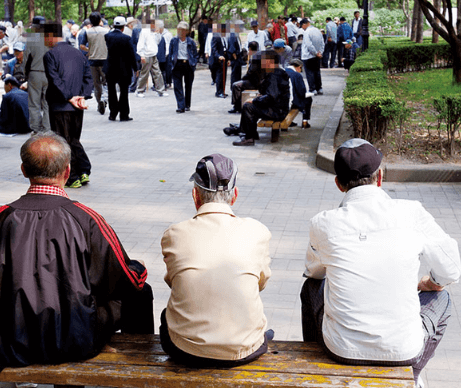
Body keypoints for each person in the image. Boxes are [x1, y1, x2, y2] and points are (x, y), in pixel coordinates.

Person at [301, 138, 461, 388]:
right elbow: (451, 270)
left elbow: (314, 274)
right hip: (403, 351)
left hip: (342, 351)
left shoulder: (323, 223)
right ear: (380, 177)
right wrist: (431, 282)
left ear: (339, 184)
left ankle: (314, 372)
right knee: (442, 299)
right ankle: (412, 375)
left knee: (311, 288)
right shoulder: (412, 213)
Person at [0, 132, 154, 368]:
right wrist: (138, 268)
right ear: (67, 171)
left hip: (12, 340)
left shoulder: (4, 217)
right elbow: (123, 279)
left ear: (23, 170)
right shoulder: (86, 218)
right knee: (141, 291)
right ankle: (142, 365)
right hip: (76, 340)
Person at [160, 153, 272, 367]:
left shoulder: (174, 234)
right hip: (244, 349)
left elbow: (173, 282)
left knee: (167, 315)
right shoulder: (257, 232)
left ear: (195, 195)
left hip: (187, 350)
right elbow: (261, 283)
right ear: (235, 195)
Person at [43, 23, 92, 189]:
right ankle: (84, 170)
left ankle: (72, 176)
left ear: (50, 36)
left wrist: (70, 97)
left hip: (60, 105)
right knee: (74, 139)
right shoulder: (78, 53)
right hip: (77, 106)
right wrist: (82, 97)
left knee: (63, 141)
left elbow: (54, 80)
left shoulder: (50, 55)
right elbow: (88, 77)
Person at [225, 50, 290, 146]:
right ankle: (250, 132)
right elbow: (273, 94)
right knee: (251, 105)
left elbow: (271, 97)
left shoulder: (274, 75)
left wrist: (255, 100)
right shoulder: (278, 72)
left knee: (248, 106)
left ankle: (248, 138)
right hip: (279, 108)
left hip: (277, 111)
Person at [104, 16, 138, 122]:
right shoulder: (126, 38)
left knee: (111, 91)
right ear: (123, 27)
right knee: (124, 92)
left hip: (110, 68)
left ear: (114, 25)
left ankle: (112, 114)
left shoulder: (107, 36)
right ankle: (124, 115)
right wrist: (135, 68)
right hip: (124, 69)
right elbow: (132, 55)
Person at [23, 16, 51, 132]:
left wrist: (25, 74)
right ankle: (47, 128)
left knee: (34, 104)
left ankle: (36, 129)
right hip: (49, 74)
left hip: (35, 73)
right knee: (47, 103)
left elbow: (26, 59)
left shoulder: (31, 38)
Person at [80, 12, 109, 115]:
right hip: (105, 59)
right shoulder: (106, 31)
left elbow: (81, 46)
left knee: (96, 84)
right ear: (100, 20)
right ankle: (104, 99)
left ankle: (99, 103)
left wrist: (89, 49)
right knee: (106, 82)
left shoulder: (87, 32)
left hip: (92, 60)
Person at [167, 21, 198, 113]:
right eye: (179, 29)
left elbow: (195, 54)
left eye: (183, 30)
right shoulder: (173, 41)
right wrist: (171, 63)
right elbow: (170, 53)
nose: (180, 32)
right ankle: (181, 106)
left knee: (188, 85)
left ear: (187, 31)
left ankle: (187, 104)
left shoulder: (191, 42)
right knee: (177, 85)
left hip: (188, 64)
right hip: (177, 64)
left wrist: (194, 63)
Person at [228, 41, 264, 114]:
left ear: (250, 49)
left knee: (236, 85)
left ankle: (236, 106)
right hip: (258, 80)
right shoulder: (259, 56)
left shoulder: (254, 58)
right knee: (239, 84)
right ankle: (238, 105)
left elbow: (250, 73)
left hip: (254, 82)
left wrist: (243, 78)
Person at [136, 19, 168, 98]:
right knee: (144, 73)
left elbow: (157, 42)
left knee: (157, 73)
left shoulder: (156, 33)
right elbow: (141, 43)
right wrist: (142, 55)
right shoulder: (144, 31)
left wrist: (157, 34)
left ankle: (160, 90)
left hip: (153, 55)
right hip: (146, 55)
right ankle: (139, 90)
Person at [285, 59, 312, 129]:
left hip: (280, 101)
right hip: (291, 101)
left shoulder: (283, 71)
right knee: (308, 99)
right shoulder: (297, 75)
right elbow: (302, 91)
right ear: (298, 67)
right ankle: (305, 121)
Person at [301, 18, 324, 95]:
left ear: (305, 24)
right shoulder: (317, 30)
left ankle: (312, 89)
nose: (302, 28)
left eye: (302, 26)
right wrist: (320, 52)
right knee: (317, 72)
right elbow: (322, 42)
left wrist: (315, 52)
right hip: (317, 55)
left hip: (308, 56)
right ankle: (319, 88)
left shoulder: (307, 32)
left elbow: (308, 45)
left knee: (309, 73)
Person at [210, 23, 228, 98]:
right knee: (219, 76)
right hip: (218, 59)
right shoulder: (215, 37)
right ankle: (218, 92)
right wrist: (218, 56)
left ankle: (223, 91)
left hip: (225, 57)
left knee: (224, 75)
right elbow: (214, 49)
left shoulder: (225, 37)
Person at [156, 19, 173, 90]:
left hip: (167, 54)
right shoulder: (158, 34)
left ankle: (167, 83)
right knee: (162, 70)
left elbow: (169, 45)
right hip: (162, 55)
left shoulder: (167, 34)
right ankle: (164, 83)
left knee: (166, 70)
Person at [227, 21, 243, 88]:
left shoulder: (236, 34)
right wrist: (234, 55)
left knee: (238, 73)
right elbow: (232, 46)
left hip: (238, 56)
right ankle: (233, 87)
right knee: (235, 73)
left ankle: (237, 86)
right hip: (235, 57)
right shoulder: (232, 35)